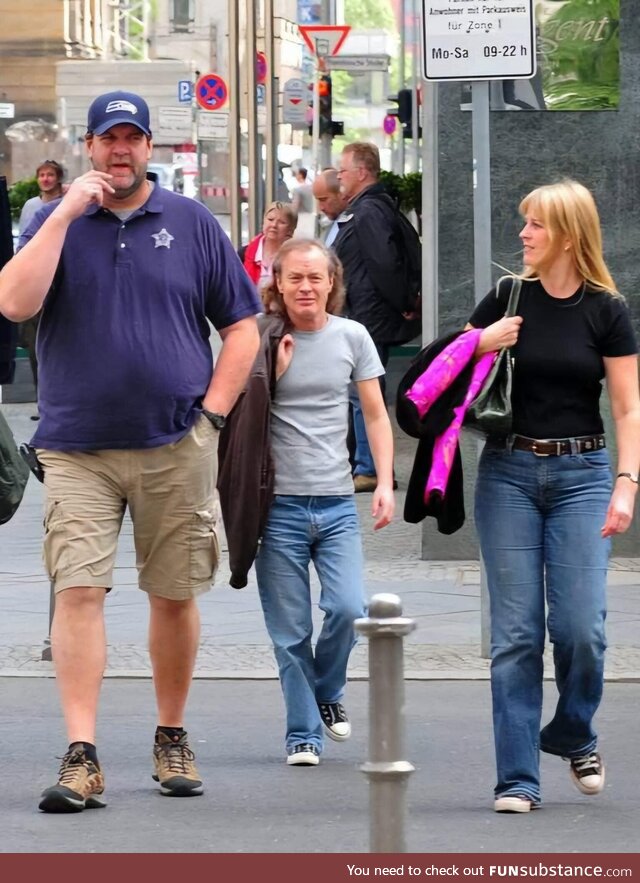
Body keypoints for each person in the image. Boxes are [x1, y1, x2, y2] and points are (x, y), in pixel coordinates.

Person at [0, 90, 262, 812]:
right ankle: (82, 754)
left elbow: (242, 327)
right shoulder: (51, 221)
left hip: (174, 441)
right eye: (108, 139)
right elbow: (14, 303)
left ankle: (171, 733)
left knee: (174, 593)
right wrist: (62, 215)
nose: (121, 150)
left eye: (133, 139)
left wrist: (210, 418)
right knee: (79, 589)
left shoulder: (191, 222)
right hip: (76, 445)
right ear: (87, 147)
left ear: (151, 148)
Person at [467, 179, 640, 813]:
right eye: (524, 223)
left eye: (535, 224)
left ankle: (574, 730)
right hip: (508, 474)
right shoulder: (507, 297)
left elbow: (627, 406)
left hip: (584, 476)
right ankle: (516, 777)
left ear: (568, 234)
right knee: (515, 634)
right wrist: (480, 342)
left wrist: (627, 482)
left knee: (580, 631)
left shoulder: (606, 309)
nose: (523, 234)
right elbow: (448, 371)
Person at [257, 238, 395, 766]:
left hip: (336, 504)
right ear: (279, 284)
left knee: (348, 608)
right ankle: (302, 734)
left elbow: (376, 415)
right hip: (279, 506)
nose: (306, 287)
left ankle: (327, 691)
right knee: (290, 631)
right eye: (295, 278)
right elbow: (239, 414)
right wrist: (276, 372)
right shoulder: (262, 335)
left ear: (332, 282)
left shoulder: (352, 336)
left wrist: (383, 481)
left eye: (316, 277)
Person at [335, 142, 417, 493]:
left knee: (363, 394)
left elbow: (384, 263)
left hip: (369, 316)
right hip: (368, 313)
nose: (339, 176)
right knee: (363, 392)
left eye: (343, 170)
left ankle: (369, 467)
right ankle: (366, 465)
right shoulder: (373, 207)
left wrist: (402, 302)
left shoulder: (368, 211)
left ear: (362, 172)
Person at [18, 160, 66, 418]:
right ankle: (43, 402)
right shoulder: (31, 206)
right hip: (37, 283)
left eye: (50, 175)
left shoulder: (70, 201)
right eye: (42, 175)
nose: (46, 179)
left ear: (58, 179)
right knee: (37, 348)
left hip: (62, 283)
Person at [239, 200, 297, 291]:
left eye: (282, 222)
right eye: (270, 219)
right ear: (263, 222)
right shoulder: (243, 254)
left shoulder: (295, 257)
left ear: (291, 229)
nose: (274, 225)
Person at [312, 168, 348, 247]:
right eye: (318, 200)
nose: (321, 207)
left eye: (323, 200)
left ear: (341, 194)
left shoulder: (355, 222)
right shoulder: (329, 225)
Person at [291, 167, 315, 237]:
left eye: (297, 174)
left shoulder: (297, 189)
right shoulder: (311, 187)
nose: (296, 176)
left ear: (301, 175)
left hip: (301, 218)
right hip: (311, 217)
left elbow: (295, 205)